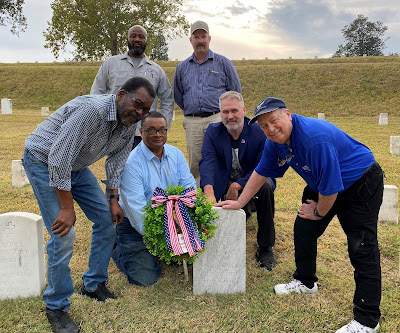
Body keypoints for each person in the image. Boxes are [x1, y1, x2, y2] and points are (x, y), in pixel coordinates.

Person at [216, 97, 384, 333]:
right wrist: (240, 202)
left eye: (274, 121)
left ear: (288, 114)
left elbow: (330, 189)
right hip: (325, 182)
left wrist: (317, 213)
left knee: (361, 246)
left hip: (360, 181)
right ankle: (306, 282)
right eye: (264, 126)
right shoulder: (274, 142)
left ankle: (367, 320)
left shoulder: (314, 139)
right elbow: (261, 172)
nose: (271, 129)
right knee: (303, 228)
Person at [23, 77, 156, 333]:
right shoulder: (91, 112)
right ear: (120, 95)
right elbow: (59, 159)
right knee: (63, 234)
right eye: (137, 104)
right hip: (43, 160)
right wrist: (67, 207)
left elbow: (117, 160)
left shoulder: (129, 122)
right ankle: (56, 306)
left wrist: (113, 199)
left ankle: (93, 284)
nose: (139, 113)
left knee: (107, 219)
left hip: (76, 166)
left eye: (145, 110)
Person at [111, 111, 196, 286]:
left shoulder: (176, 154)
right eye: (151, 130)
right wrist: (168, 238)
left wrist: (180, 223)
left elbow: (190, 188)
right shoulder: (131, 163)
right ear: (141, 132)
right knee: (145, 279)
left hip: (172, 218)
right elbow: (138, 212)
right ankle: (117, 248)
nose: (157, 135)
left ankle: (160, 250)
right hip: (135, 227)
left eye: (162, 130)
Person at [199, 91, 277, 270]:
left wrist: (238, 184)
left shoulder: (259, 131)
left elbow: (263, 166)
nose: (230, 116)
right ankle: (208, 239)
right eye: (225, 112)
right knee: (205, 187)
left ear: (244, 110)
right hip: (225, 180)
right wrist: (209, 192)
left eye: (234, 111)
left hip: (253, 179)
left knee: (264, 187)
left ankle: (266, 247)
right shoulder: (213, 132)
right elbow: (207, 161)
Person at [173, 20, 241, 186]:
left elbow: (235, 92)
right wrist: (193, 110)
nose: (200, 40)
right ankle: (198, 200)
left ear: (209, 38)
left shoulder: (223, 63)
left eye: (203, 36)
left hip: (218, 117)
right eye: (196, 37)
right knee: (196, 162)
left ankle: (223, 193)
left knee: (221, 156)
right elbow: (178, 95)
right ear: (191, 40)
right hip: (193, 120)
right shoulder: (182, 68)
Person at [91, 25, 174, 148]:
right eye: (133, 36)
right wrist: (101, 122)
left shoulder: (156, 70)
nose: (137, 39)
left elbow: (167, 98)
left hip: (147, 132)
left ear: (146, 40)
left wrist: (163, 126)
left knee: (148, 166)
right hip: (117, 130)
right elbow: (97, 92)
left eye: (141, 37)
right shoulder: (110, 64)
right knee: (117, 166)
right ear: (127, 39)